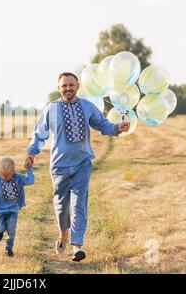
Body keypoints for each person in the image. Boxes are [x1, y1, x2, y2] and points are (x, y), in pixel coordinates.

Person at [25, 72, 130, 262]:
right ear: (59, 88)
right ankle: (63, 233)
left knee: (79, 203)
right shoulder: (51, 109)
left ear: (78, 86)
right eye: (64, 86)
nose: (68, 88)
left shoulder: (87, 106)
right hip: (59, 166)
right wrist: (31, 153)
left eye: (71, 85)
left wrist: (116, 128)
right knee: (61, 205)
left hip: (82, 163)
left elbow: (102, 124)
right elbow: (39, 133)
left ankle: (77, 246)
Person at [0, 157, 34, 257]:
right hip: (0, 210)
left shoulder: (18, 178)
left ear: (13, 171)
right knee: (1, 227)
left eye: (7, 176)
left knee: (11, 229)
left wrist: (28, 169)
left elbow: (30, 181)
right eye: (1, 175)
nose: (4, 177)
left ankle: (8, 248)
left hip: (13, 209)